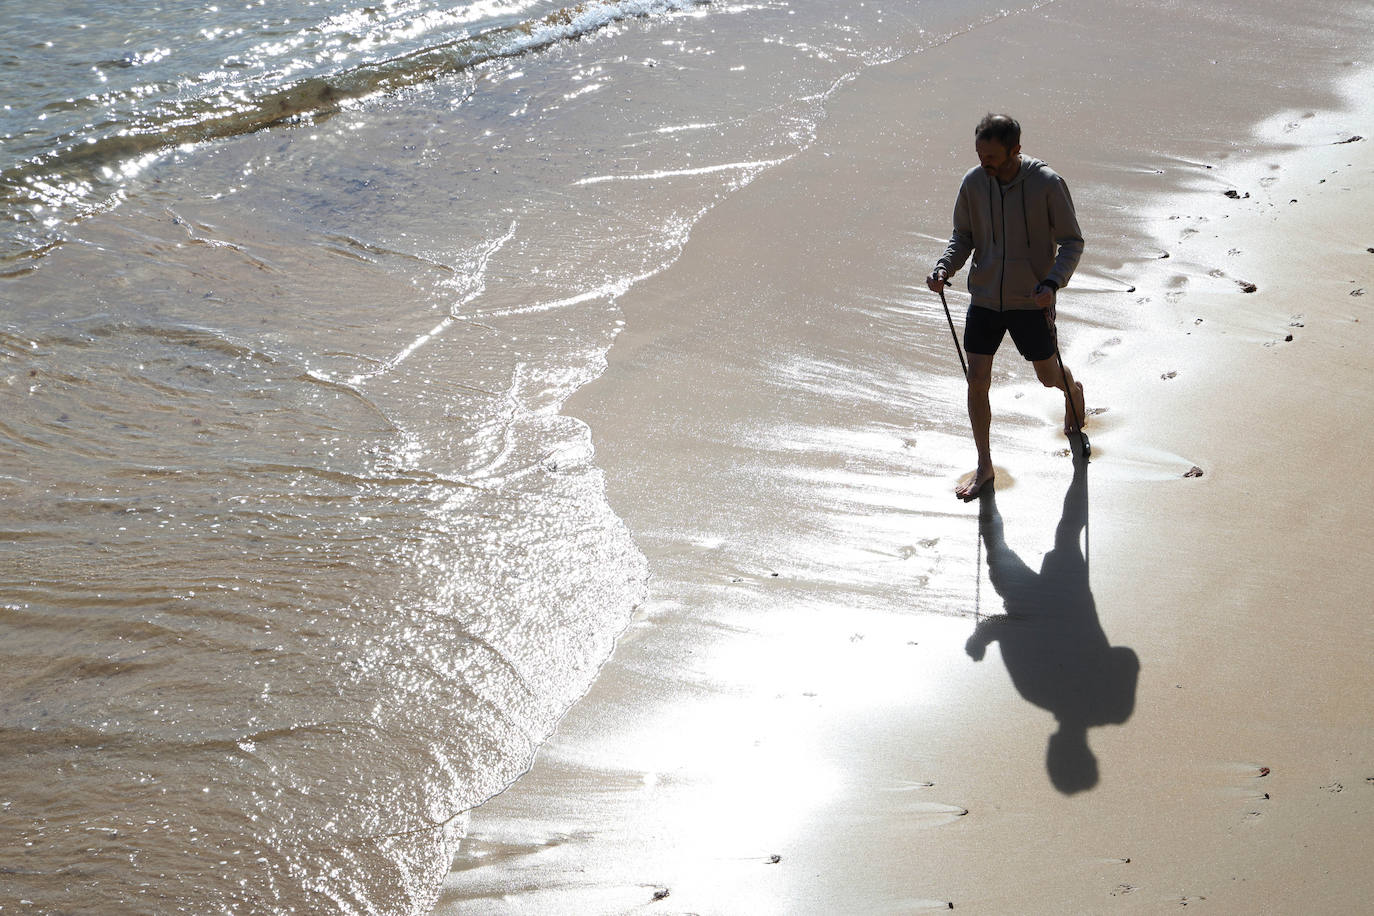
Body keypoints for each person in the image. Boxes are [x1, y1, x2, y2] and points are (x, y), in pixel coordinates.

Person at [927, 114, 1086, 500]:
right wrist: (945, 267)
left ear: (1016, 150)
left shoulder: (1046, 184)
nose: (985, 164)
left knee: (1047, 375)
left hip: (1031, 299)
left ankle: (1072, 389)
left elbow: (1072, 242)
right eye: (980, 155)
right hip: (984, 298)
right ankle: (984, 464)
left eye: (993, 157)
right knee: (977, 379)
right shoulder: (973, 182)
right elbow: (963, 235)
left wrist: (1052, 282)